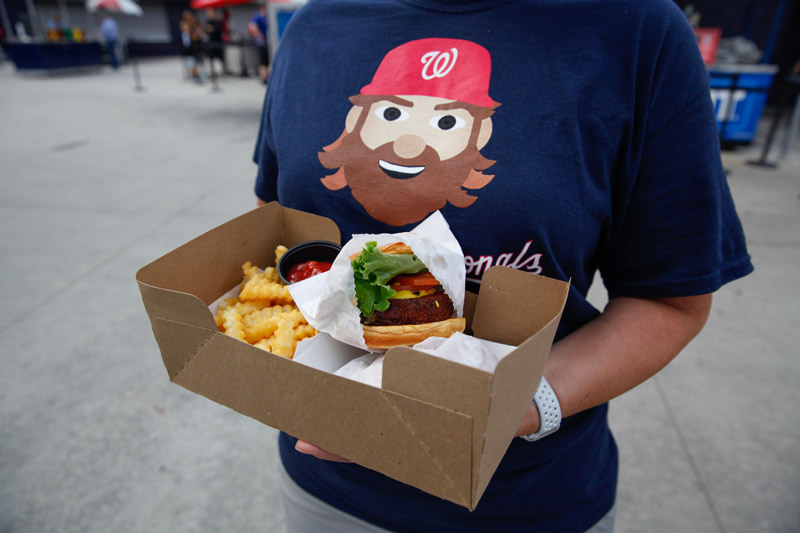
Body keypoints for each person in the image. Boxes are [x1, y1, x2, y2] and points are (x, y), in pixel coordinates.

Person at [253, 1, 753, 531]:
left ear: (480, 136)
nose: (407, 141)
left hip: (524, 503)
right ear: (358, 119)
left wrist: (517, 402)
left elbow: (670, 301)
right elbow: (274, 221)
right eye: (391, 113)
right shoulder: (314, 25)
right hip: (326, 494)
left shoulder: (636, 28)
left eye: (447, 121)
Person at [247, 4, 269, 84]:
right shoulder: (258, 17)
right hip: (261, 43)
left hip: (266, 42)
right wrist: (260, 37)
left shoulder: (265, 17)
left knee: (266, 61)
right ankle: (264, 77)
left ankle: (266, 76)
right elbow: (252, 26)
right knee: (263, 61)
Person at [204, 8, 227, 75]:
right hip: (211, 41)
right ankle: (212, 71)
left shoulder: (218, 21)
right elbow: (207, 31)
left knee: (221, 57)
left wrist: (212, 29)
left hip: (218, 41)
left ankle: (224, 71)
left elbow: (219, 30)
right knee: (211, 57)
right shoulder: (208, 21)